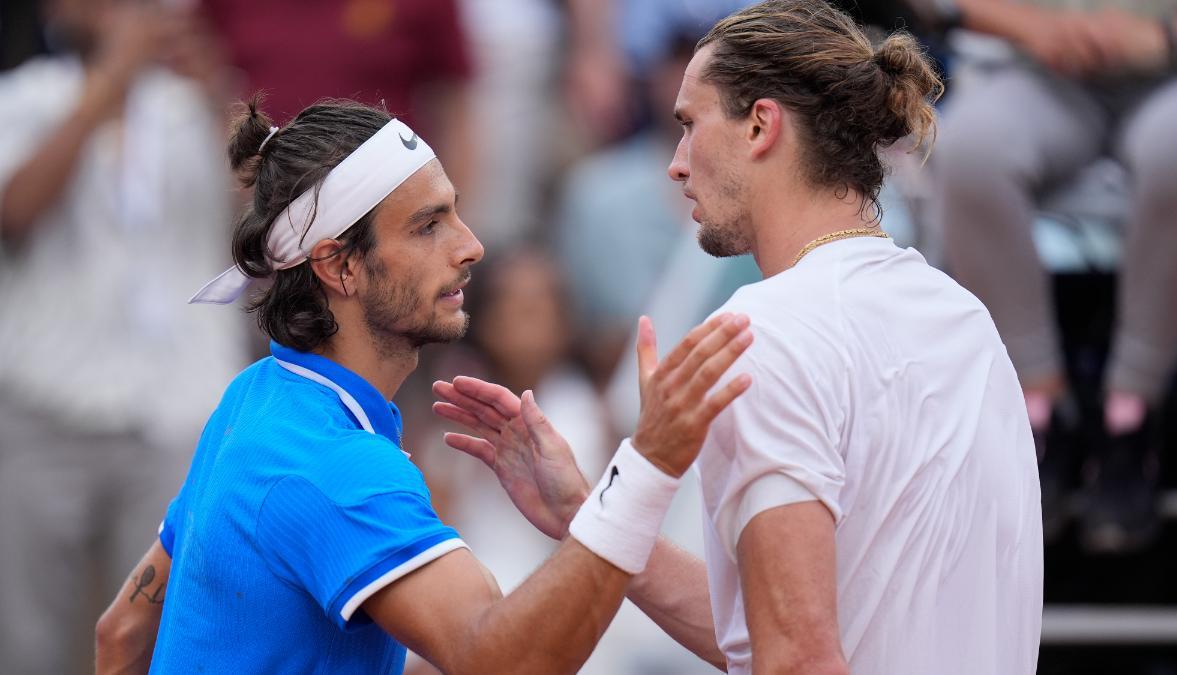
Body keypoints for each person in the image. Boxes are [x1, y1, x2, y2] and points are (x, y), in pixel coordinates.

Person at [436, 1, 1043, 673]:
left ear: (760, 125)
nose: (676, 163)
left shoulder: (767, 331)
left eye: (690, 125)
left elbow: (797, 658)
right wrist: (593, 513)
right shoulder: (966, 319)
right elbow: (777, 631)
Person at [93, 98, 755, 674]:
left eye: (456, 214)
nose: (471, 246)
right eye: (428, 225)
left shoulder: (255, 397)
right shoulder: (335, 466)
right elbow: (506, 659)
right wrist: (648, 466)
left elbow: (120, 633)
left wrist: (586, 507)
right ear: (340, 267)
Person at [0, 1, 246, 672]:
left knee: (169, 636)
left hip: (176, 410)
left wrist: (217, 95)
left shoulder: (194, 103)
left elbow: (266, 220)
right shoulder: (24, 97)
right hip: (44, 403)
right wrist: (107, 88)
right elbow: (14, 210)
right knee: (27, 640)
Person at [931, 0, 1177, 553]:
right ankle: (1037, 413)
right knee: (967, 150)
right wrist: (1038, 28)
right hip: (1038, 73)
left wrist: (1167, 37)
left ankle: (1131, 414)